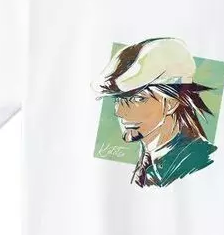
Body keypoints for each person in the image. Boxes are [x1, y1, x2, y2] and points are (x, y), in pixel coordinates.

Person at [92, 37, 217, 187]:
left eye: (137, 99)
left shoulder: (198, 164)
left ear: (171, 103)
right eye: (117, 100)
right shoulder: (148, 162)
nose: (119, 112)